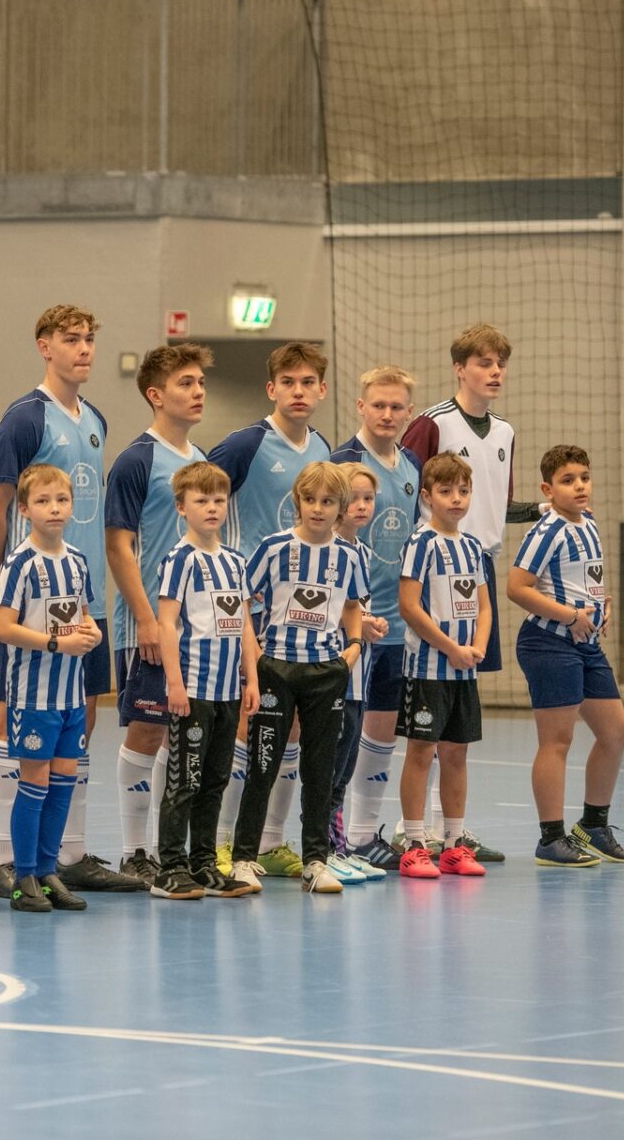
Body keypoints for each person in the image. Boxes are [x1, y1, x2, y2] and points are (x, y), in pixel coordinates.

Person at [0, 306, 137, 898]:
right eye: (71, 340)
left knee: (82, 718)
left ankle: (63, 856)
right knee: (14, 716)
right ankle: (7, 861)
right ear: (44, 347)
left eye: (90, 339)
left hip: (84, 594)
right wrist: (10, 592)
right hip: (33, 605)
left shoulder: (94, 417)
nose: (85, 349)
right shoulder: (24, 418)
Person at [400, 322, 542, 863]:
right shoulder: (430, 424)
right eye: (484, 363)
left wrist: (542, 511)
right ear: (460, 368)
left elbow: (496, 506)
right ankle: (412, 833)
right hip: (431, 569)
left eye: (501, 363)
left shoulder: (505, 433)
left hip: (476, 565)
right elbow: (408, 488)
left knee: (457, 725)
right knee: (421, 726)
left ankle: (448, 833)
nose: (495, 372)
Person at [207, 341, 334, 880]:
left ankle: (270, 843)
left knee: (295, 731)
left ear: (322, 390)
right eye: (290, 382)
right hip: (248, 606)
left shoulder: (323, 447)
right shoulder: (246, 443)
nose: (299, 391)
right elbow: (200, 495)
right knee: (247, 723)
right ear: (272, 388)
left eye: (309, 382)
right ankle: (219, 843)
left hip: (299, 619)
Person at [232, 461, 369, 895]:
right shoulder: (273, 548)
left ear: (341, 509)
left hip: (326, 673)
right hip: (277, 669)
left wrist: (354, 646)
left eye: (328, 502)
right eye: (310, 500)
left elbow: (352, 605)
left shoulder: (350, 555)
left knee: (320, 768)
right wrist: (253, 655)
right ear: (297, 502)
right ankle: (243, 859)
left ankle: (316, 860)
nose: (317, 509)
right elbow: (242, 601)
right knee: (264, 764)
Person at [107, 342, 212, 881]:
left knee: (186, 737)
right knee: (147, 732)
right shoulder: (136, 460)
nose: (197, 392)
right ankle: (134, 851)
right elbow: (119, 546)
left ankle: (177, 851)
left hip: (198, 631)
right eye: (185, 383)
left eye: (199, 382)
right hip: (149, 625)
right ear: (155, 394)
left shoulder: (201, 463)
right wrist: (146, 618)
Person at [508, 445, 624, 868]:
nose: (579, 485)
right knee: (557, 742)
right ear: (548, 488)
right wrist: (569, 614)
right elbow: (517, 588)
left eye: (584, 476)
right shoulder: (547, 531)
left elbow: (589, 578)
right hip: (548, 643)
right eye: (567, 480)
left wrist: (603, 606)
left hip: (586, 643)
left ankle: (594, 826)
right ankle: (551, 838)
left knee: (615, 732)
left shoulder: (590, 521)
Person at [0, 464, 106, 913]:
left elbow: (83, 614)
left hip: (70, 695)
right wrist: (57, 642)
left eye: (61, 500)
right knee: (35, 784)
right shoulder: (19, 563)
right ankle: (23, 879)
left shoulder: (77, 561)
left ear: (73, 506)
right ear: (24, 509)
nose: (53, 508)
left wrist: (91, 632)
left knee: (63, 784)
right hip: (33, 695)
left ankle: (47, 870)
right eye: (42, 501)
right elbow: (3, 627)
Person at [329, 367, 424, 871]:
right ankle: (324, 836)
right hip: (349, 629)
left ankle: (365, 836)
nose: (388, 415)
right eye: (379, 405)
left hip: (395, 625)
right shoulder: (343, 463)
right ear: (361, 407)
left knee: (382, 731)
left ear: (410, 411)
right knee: (340, 734)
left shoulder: (411, 465)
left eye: (397, 407)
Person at [149, 462, 259, 899]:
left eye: (218, 500)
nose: (212, 508)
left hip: (228, 692)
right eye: (201, 500)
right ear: (181, 507)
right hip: (193, 688)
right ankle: (170, 867)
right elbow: (166, 624)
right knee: (185, 779)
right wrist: (174, 684)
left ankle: (204, 863)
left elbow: (245, 625)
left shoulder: (234, 562)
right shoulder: (180, 560)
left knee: (216, 779)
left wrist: (251, 680)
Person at [394, 455, 493, 879]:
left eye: (464, 491)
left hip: (463, 671)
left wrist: (477, 647)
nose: (456, 499)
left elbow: (485, 606)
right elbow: (409, 605)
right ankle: (415, 843)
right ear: (428, 496)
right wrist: (451, 646)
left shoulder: (472, 547)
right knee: (421, 752)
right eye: (447, 491)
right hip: (428, 668)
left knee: (457, 754)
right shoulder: (421, 543)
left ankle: (454, 844)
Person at [324, 462, 390, 884]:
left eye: (368, 498)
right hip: (330, 675)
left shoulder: (362, 553)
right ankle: (324, 848)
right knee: (328, 767)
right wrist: (353, 628)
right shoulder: (324, 550)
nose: (361, 506)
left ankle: (338, 846)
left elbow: (355, 610)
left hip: (358, 676)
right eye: (353, 498)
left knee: (345, 766)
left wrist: (371, 624)